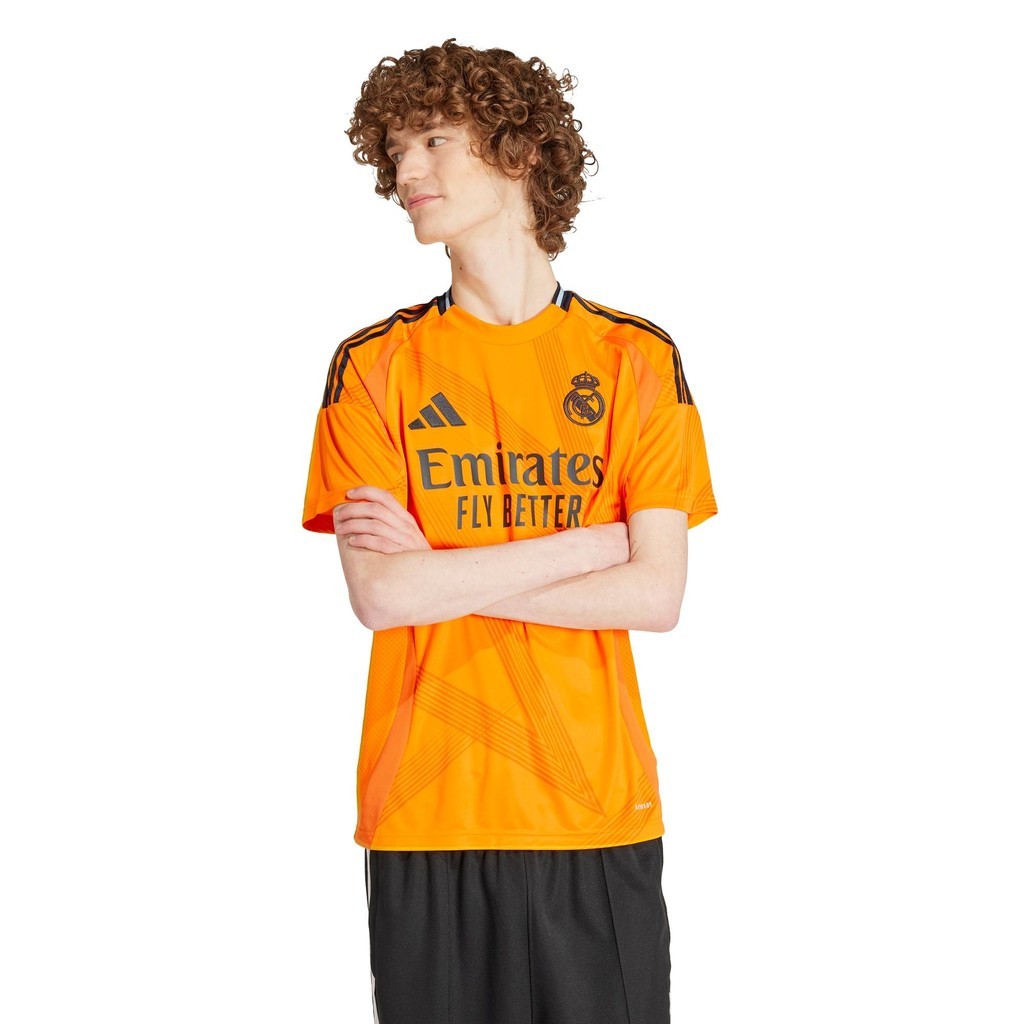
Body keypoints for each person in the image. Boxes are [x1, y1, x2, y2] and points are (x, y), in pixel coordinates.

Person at [302, 38, 717, 1024]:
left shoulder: (634, 357)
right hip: (426, 817)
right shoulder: (372, 365)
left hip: (596, 814)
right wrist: (592, 543)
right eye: (394, 151)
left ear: (520, 151)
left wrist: (442, 569)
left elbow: (656, 594)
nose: (405, 171)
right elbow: (382, 595)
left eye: (433, 141)